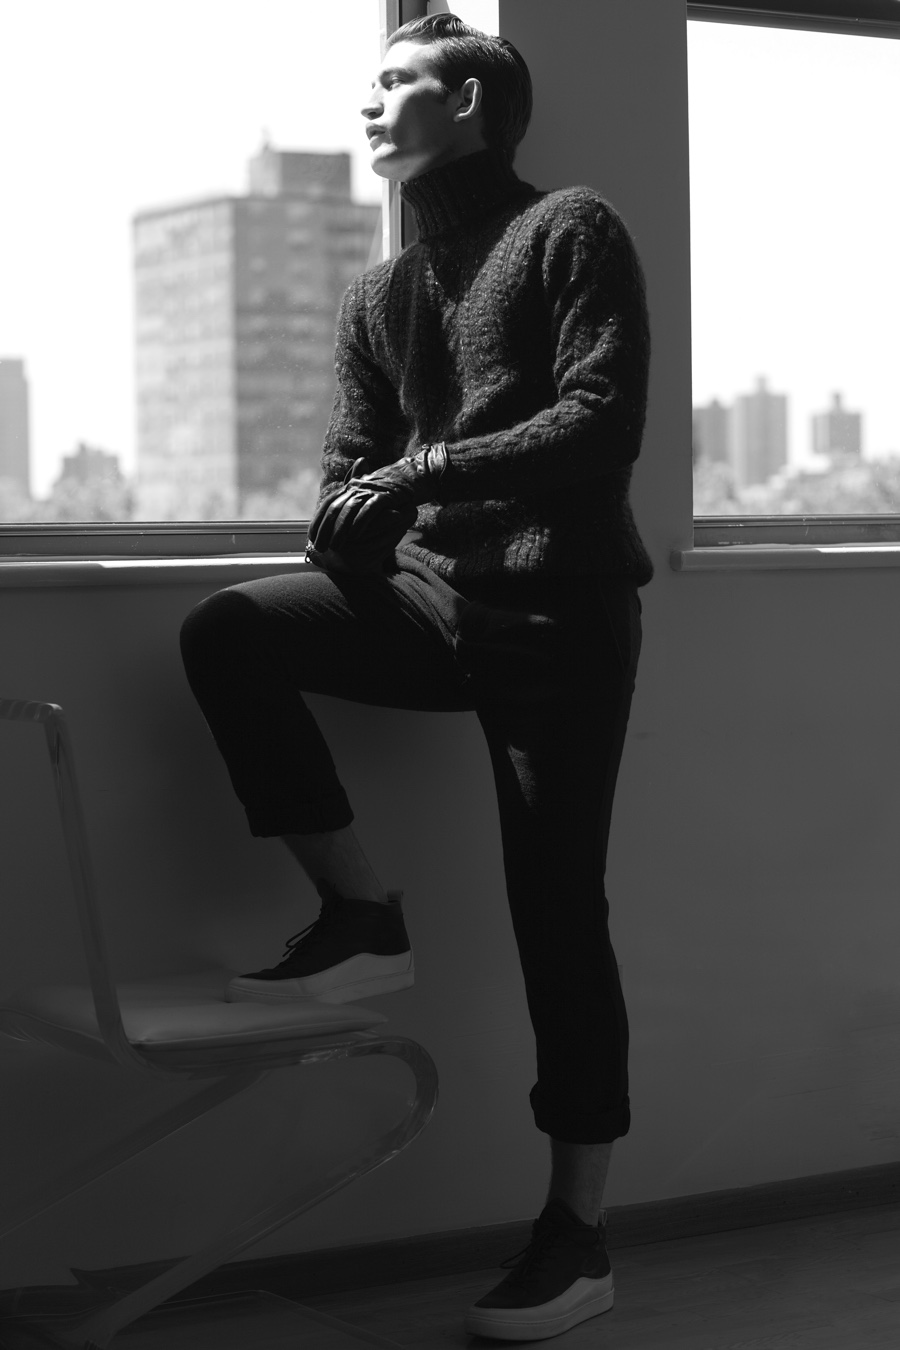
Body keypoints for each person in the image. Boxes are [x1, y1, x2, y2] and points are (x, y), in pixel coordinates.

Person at [180, 14, 651, 1342]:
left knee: (557, 911)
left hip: (561, 609)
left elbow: (601, 418)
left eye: (396, 83)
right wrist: (349, 514)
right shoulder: (379, 293)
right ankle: (359, 911)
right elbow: (352, 464)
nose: (371, 103)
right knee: (230, 630)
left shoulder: (569, 227)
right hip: (433, 601)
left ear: (473, 104)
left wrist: (423, 472)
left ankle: (578, 1234)